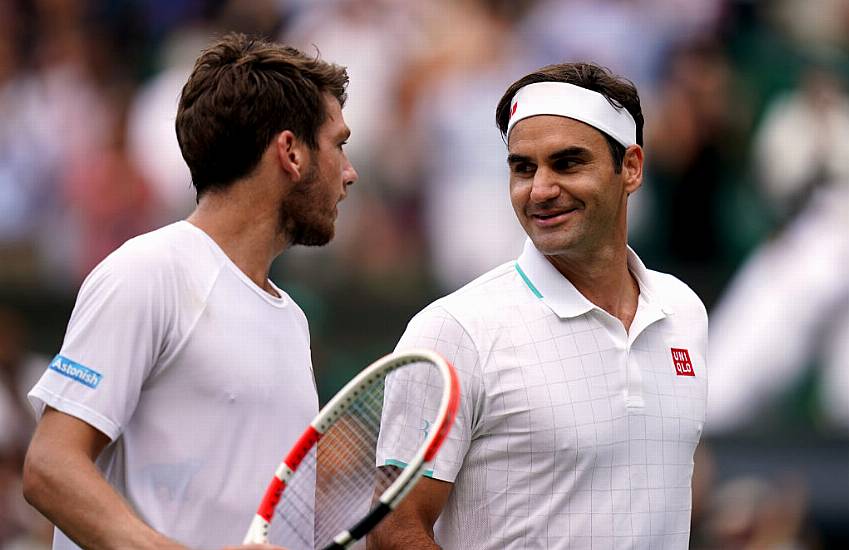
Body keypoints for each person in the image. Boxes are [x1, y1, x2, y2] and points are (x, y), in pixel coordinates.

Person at [22, 33, 358, 550]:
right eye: (338, 144)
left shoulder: (293, 319)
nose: (349, 173)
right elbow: (50, 467)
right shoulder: (146, 272)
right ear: (290, 152)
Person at [371, 63, 708, 549]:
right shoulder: (454, 330)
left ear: (630, 168)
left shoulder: (685, 311)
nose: (541, 190)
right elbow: (391, 530)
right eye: (523, 168)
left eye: (568, 163)